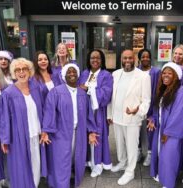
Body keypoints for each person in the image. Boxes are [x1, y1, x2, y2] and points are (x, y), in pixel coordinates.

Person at [40, 64, 99, 187]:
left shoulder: (82, 94)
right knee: (61, 159)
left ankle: (73, 179)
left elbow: (88, 115)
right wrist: (46, 130)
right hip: (61, 133)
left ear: (78, 75)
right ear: (64, 76)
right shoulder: (56, 92)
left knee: (76, 157)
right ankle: (60, 184)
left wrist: (91, 131)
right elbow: (49, 112)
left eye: (74, 72)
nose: (72, 74)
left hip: (79, 132)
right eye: (69, 72)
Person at [0, 58, 46, 188]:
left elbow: (46, 109)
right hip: (18, 137)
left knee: (36, 164)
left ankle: (34, 185)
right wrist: (4, 139)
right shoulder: (8, 93)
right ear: (14, 73)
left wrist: (46, 130)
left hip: (36, 134)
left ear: (30, 71)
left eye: (25, 69)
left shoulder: (37, 87)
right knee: (21, 167)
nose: (21, 72)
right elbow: (3, 118)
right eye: (18, 70)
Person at [107, 49, 151, 185]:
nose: (127, 61)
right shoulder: (115, 74)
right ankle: (122, 162)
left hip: (132, 118)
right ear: (121, 59)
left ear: (135, 59)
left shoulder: (143, 76)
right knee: (119, 143)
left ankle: (130, 171)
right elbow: (110, 97)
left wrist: (138, 110)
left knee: (131, 146)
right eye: (125, 58)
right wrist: (109, 114)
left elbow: (146, 100)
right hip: (117, 116)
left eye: (130, 58)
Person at [148, 62, 183, 188]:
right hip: (161, 129)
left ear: (176, 76)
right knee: (161, 154)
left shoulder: (181, 92)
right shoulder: (163, 89)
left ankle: (168, 183)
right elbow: (158, 111)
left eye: (169, 73)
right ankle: (162, 175)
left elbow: (178, 115)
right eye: (164, 73)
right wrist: (152, 119)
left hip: (171, 133)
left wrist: (168, 132)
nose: (166, 76)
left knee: (170, 158)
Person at [79, 49, 113, 177]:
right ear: (89, 59)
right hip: (84, 111)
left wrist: (88, 89)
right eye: (92, 58)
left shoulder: (106, 75)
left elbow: (106, 93)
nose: (95, 60)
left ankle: (97, 164)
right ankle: (88, 161)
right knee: (85, 135)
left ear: (102, 60)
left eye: (98, 58)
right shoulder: (84, 74)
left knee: (97, 136)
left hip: (98, 112)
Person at [137, 49, 161, 166]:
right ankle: (139, 151)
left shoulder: (156, 72)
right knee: (137, 130)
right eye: (143, 56)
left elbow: (159, 89)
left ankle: (150, 154)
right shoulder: (136, 71)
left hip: (152, 104)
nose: (145, 58)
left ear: (150, 58)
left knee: (151, 129)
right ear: (139, 58)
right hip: (138, 105)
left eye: (147, 56)